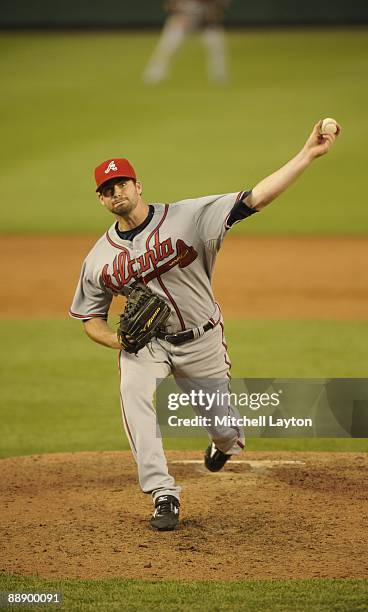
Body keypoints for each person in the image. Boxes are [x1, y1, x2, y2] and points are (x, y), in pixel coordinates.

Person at [70, 120, 340, 531]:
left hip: (202, 339)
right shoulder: (99, 259)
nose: (116, 192)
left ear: (138, 185)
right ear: (101, 200)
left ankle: (223, 446)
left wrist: (307, 155)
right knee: (133, 392)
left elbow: (255, 198)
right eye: (108, 189)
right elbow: (90, 318)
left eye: (122, 183)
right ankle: (163, 493)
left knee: (224, 428)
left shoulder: (189, 217)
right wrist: (118, 339)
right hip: (148, 347)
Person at [143, 0, 231, 84]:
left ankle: (219, 74)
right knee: (169, 46)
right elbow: (170, 6)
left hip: (206, 23)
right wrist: (180, 14)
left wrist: (211, 15)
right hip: (184, 21)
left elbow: (218, 10)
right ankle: (155, 72)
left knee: (216, 47)